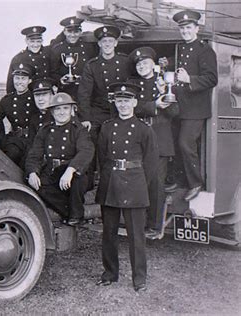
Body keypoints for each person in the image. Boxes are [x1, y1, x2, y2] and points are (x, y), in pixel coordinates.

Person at [96, 82, 158, 292]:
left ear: (135, 102)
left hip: (135, 183)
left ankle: (139, 279)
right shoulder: (107, 127)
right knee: (109, 233)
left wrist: (140, 183)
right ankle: (110, 274)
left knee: (136, 236)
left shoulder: (144, 129)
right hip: (111, 183)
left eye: (126, 101)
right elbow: (102, 157)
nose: (123, 105)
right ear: (115, 102)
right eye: (119, 101)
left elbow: (151, 163)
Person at [162, 9, 218, 201]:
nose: (185, 31)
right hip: (179, 106)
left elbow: (211, 78)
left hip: (196, 109)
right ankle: (179, 179)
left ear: (197, 28)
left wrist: (189, 79)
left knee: (185, 144)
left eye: (188, 27)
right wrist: (167, 62)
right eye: (182, 28)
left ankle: (195, 183)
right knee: (174, 144)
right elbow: (180, 63)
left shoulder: (205, 50)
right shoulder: (180, 48)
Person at [127, 47, 179, 238]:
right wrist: (153, 106)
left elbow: (175, 113)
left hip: (159, 139)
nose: (142, 66)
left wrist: (163, 93)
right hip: (137, 139)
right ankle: (136, 223)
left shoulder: (163, 83)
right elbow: (127, 108)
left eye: (145, 63)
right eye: (139, 64)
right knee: (136, 181)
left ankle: (154, 226)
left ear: (153, 65)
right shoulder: (131, 85)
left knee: (156, 184)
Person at [26, 92, 94, 226]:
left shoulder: (79, 129)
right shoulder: (45, 129)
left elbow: (86, 151)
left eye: (65, 108)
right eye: (57, 109)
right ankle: (67, 210)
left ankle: (76, 215)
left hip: (72, 171)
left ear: (72, 110)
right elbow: (35, 153)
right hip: (53, 171)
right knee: (34, 184)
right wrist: (32, 172)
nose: (61, 112)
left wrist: (70, 170)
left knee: (77, 179)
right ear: (52, 112)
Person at [77, 25, 132, 189]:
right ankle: (91, 182)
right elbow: (84, 94)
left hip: (120, 110)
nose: (107, 44)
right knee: (91, 141)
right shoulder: (92, 65)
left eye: (110, 41)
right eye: (103, 41)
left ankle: (119, 180)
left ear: (115, 43)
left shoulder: (125, 61)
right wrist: (86, 118)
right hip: (98, 111)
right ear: (99, 44)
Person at [0, 63, 38, 166]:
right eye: (17, 78)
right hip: (15, 140)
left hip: (33, 139)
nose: (19, 82)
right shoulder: (7, 100)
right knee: (7, 161)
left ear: (29, 80)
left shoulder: (35, 98)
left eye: (23, 79)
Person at [50, 16, 97, 101]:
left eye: (76, 32)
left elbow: (94, 67)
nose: (72, 35)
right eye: (69, 31)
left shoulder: (88, 47)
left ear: (80, 32)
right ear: (64, 32)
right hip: (66, 91)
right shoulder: (57, 49)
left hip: (86, 91)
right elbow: (53, 72)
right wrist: (60, 80)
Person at [6, 26, 51, 93]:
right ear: (26, 41)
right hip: (28, 97)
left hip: (45, 94)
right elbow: (10, 86)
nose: (35, 45)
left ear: (42, 41)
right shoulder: (18, 59)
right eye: (32, 41)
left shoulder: (48, 54)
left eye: (38, 41)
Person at [28, 78, 56, 142]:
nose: (40, 99)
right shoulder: (34, 119)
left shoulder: (60, 115)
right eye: (37, 95)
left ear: (52, 95)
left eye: (44, 94)